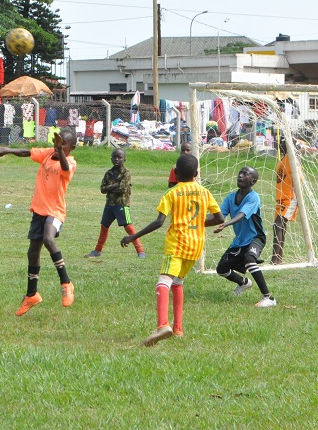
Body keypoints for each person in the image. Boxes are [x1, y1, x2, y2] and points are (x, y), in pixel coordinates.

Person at [121, 153, 223, 346]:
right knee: (178, 283)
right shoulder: (204, 192)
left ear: (175, 173)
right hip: (196, 245)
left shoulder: (172, 193)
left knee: (163, 281)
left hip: (177, 244)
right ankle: (178, 329)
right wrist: (197, 223)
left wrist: (134, 236)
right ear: (196, 173)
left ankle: (162, 325)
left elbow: (159, 222)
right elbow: (219, 219)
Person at [0, 128, 78, 317]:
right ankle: (31, 294)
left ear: (71, 148)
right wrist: (7, 150)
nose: (59, 146)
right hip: (39, 210)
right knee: (33, 252)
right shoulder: (48, 154)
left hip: (55, 212)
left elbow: (65, 168)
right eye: (58, 141)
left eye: (64, 144)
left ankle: (66, 283)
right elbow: (28, 152)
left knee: (49, 239)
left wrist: (60, 151)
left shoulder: (70, 162)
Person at [213, 166, 276, 307]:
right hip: (240, 240)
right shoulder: (230, 198)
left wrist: (226, 224)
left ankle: (269, 298)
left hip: (256, 237)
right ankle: (244, 283)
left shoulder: (253, 197)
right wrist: (198, 221)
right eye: (240, 173)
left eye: (245, 174)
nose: (240, 176)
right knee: (221, 269)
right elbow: (219, 217)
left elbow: (241, 215)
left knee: (249, 259)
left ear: (253, 181)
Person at [85, 148, 145, 258]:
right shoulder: (109, 173)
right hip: (109, 205)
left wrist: (111, 187)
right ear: (111, 159)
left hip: (122, 204)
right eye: (114, 157)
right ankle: (97, 250)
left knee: (128, 227)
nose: (116, 159)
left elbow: (122, 188)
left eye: (119, 157)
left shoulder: (126, 173)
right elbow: (102, 189)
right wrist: (114, 185)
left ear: (124, 159)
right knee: (104, 227)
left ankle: (140, 251)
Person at [272, 136, 297, 265]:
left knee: (278, 225)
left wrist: (296, 200)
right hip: (281, 199)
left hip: (290, 198)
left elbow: (298, 180)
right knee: (279, 227)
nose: (280, 144)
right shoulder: (283, 159)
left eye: (283, 142)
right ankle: (278, 258)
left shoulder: (293, 160)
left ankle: (275, 259)